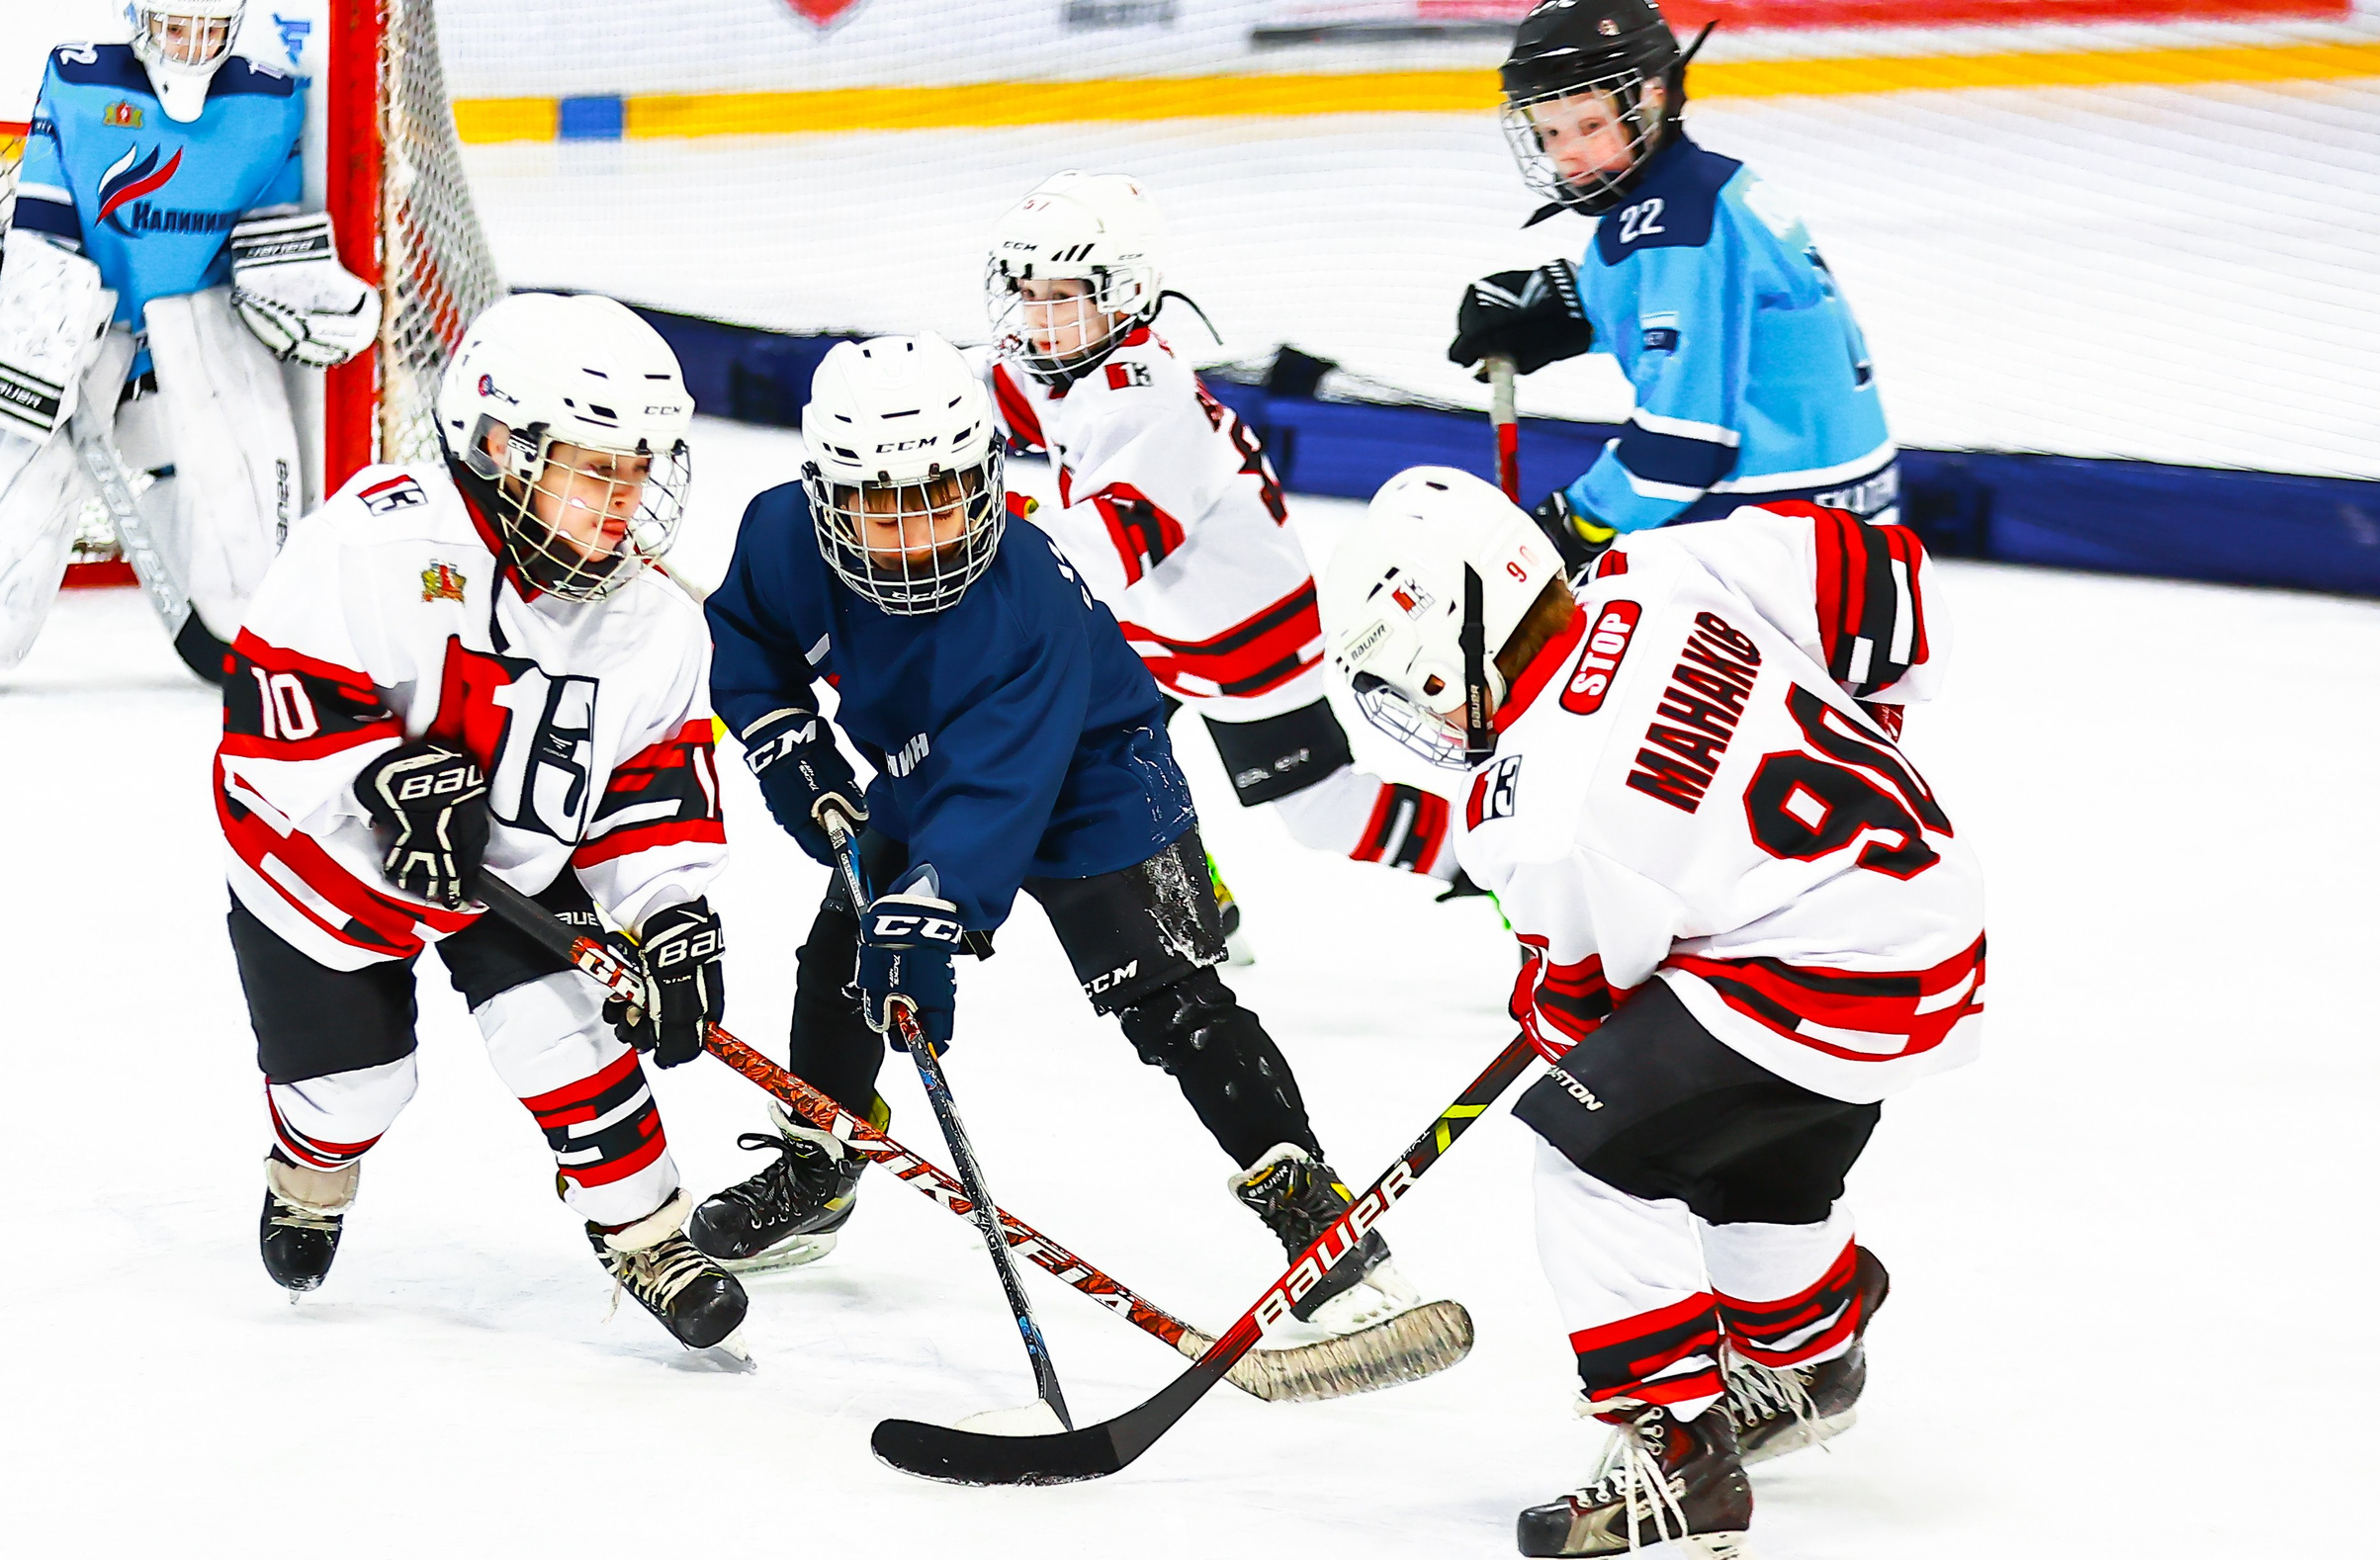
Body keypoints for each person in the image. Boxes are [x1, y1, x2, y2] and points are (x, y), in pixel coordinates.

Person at [1319, 466, 1983, 1560]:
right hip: (1928, 916)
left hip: (1818, 975)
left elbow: (1579, 1011)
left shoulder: (1528, 807)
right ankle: (1806, 1355)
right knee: (1756, 1149)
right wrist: (1867, 740)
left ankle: (1677, 1466)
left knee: (1592, 1149)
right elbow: (1874, 572)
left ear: (1452, 644)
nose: (1422, 716)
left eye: (1415, 685)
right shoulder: (1656, 569)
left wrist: (1567, 1003)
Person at [692, 331, 1435, 1349]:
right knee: (838, 962)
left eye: (942, 498)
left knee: (1173, 1002)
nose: (915, 537)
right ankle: (822, 1160)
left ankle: (1310, 1205)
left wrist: (934, 913)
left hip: (1091, 770)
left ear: (988, 478)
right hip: (920, 765)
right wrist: (784, 741)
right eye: (878, 507)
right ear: (824, 493)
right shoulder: (779, 535)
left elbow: (998, 793)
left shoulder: (1024, 597)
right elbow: (750, 645)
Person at [216, 292, 746, 1353]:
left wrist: (670, 912)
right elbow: (272, 705)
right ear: (499, 443)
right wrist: (378, 777)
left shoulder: (651, 621)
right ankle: (311, 1171)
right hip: (326, 862)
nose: (623, 506)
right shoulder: (375, 540)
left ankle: (646, 1231)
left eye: (638, 473)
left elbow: (648, 782)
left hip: (511, 858)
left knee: (571, 1033)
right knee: (355, 1088)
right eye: (595, 468)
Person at [985, 171, 1465, 908]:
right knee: (1075, 759)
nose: (1038, 319)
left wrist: (988, 521)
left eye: (1061, 296)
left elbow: (1101, 555)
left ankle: (1486, 857)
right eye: (1028, 293)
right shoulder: (1070, 366)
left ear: (1122, 293)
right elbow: (987, 392)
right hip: (1151, 628)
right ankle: (1185, 880)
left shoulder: (1154, 401)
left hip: (1242, 641)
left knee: (1320, 812)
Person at [1449, 0, 1895, 581]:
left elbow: (1684, 446)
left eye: (1590, 125)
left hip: (1778, 543)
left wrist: (1575, 523)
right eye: (1550, 132)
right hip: (1847, 524)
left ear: (1651, 96)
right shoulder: (1711, 186)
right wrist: (1573, 308)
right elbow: (1731, 329)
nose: (1569, 154)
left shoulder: (1671, 226)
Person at [0, 2, 380, 680]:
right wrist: (35, 339)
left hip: (197, 351)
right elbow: (41, 234)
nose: (193, 48)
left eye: (210, 30)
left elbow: (272, 242)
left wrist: (303, 288)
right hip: (83, 343)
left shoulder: (268, 103)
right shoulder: (80, 82)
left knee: (251, 590)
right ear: (138, 19)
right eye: (176, 28)